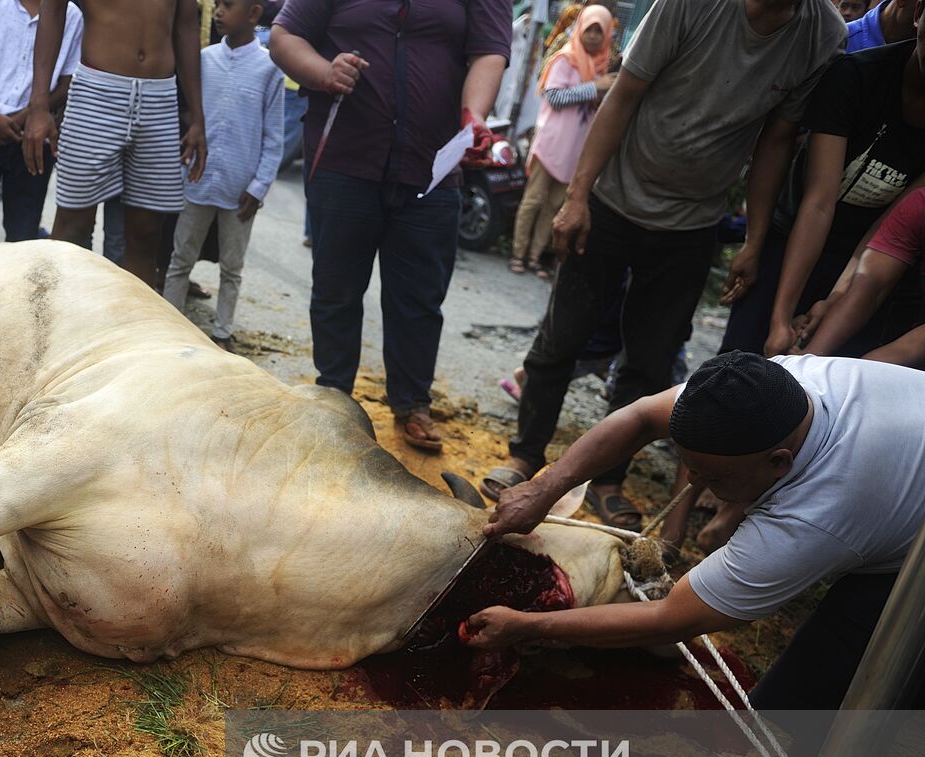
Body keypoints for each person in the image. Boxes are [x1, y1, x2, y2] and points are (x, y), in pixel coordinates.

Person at [470, 352, 925, 757]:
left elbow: (671, 619)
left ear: (779, 462)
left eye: (714, 478)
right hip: (899, 462)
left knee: (855, 661)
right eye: (690, 466)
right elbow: (642, 417)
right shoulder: (760, 388)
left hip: (904, 529)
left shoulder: (813, 518)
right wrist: (545, 487)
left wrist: (525, 626)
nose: (697, 484)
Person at [480, 0, 844, 529]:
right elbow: (624, 94)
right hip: (613, 203)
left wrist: (755, 240)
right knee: (562, 337)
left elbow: (776, 141)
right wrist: (577, 196)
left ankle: (606, 483)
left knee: (650, 365)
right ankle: (525, 455)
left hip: (694, 224)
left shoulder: (821, 33)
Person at [270, 0, 510, 452]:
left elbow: (488, 50)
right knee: (336, 288)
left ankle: (411, 403)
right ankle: (333, 395)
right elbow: (284, 37)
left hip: (432, 166)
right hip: (345, 157)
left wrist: (473, 114)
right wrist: (324, 72)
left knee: (419, 297)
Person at [721, 19, 925, 357]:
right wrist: (780, 319)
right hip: (793, 240)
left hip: (867, 260)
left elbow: (891, 227)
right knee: (740, 363)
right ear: (918, 11)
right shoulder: (858, 76)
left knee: (820, 383)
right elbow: (819, 203)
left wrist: (835, 298)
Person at [22, 0, 206, 287]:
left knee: (147, 235)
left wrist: (197, 116)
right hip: (97, 92)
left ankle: (129, 329)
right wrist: (38, 104)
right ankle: (49, 325)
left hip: (160, 98)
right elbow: (53, 10)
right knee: (72, 229)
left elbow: (186, 24)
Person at [162, 0, 283, 350]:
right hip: (199, 180)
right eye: (217, 5)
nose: (217, 12)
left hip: (240, 188)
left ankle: (222, 333)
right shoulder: (202, 60)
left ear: (254, 14)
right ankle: (167, 328)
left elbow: (274, 137)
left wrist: (259, 186)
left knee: (232, 267)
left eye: (227, 6)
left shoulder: (269, 69)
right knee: (180, 258)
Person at [0, 0, 81, 251]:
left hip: (34, 138)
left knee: (23, 232)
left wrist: (21, 119)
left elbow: (66, 83)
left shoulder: (71, 15)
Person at [509, 5, 615, 280]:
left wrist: (600, 88)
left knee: (555, 205)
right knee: (533, 200)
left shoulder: (603, 67)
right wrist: (595, 88)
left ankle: (534, 257)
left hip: (577, 149)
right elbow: (554, 97)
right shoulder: (564, 60)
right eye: (589, 29)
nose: (592, 37)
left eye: (598, 31)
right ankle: (517, 254)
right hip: (552, 143)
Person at [796, 185, 925, 366]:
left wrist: (863, 370)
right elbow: (871, 285)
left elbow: (910, 348)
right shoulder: (919, 204)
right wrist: (807, 361)